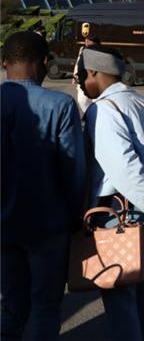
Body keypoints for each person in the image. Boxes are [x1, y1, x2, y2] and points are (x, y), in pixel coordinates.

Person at [78, 44, 144, 340]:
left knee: (119, 291)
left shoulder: (103, 110)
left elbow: (123, 166)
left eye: (82, 76)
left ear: (94, 72)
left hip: (117, 213)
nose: (81, 83)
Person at [1, 31, 86, 341]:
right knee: (46, 306)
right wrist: (76, 215)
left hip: (3, 223)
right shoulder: (60, 105)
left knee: (11, 306)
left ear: (4, 62)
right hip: (48, 222)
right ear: (44, 63)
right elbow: (73, 169)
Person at [73, 35, 101, 114]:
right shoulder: (82, 49)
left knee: (95, 100)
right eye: (85, 40)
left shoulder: (99, 51)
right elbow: (78, 63)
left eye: (89, 41)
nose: (86, 42)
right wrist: (74, 75)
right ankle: (89, 114)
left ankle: (94, 115)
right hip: (82, 77)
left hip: (94, 79)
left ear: (95, 42)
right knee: (81, 100)